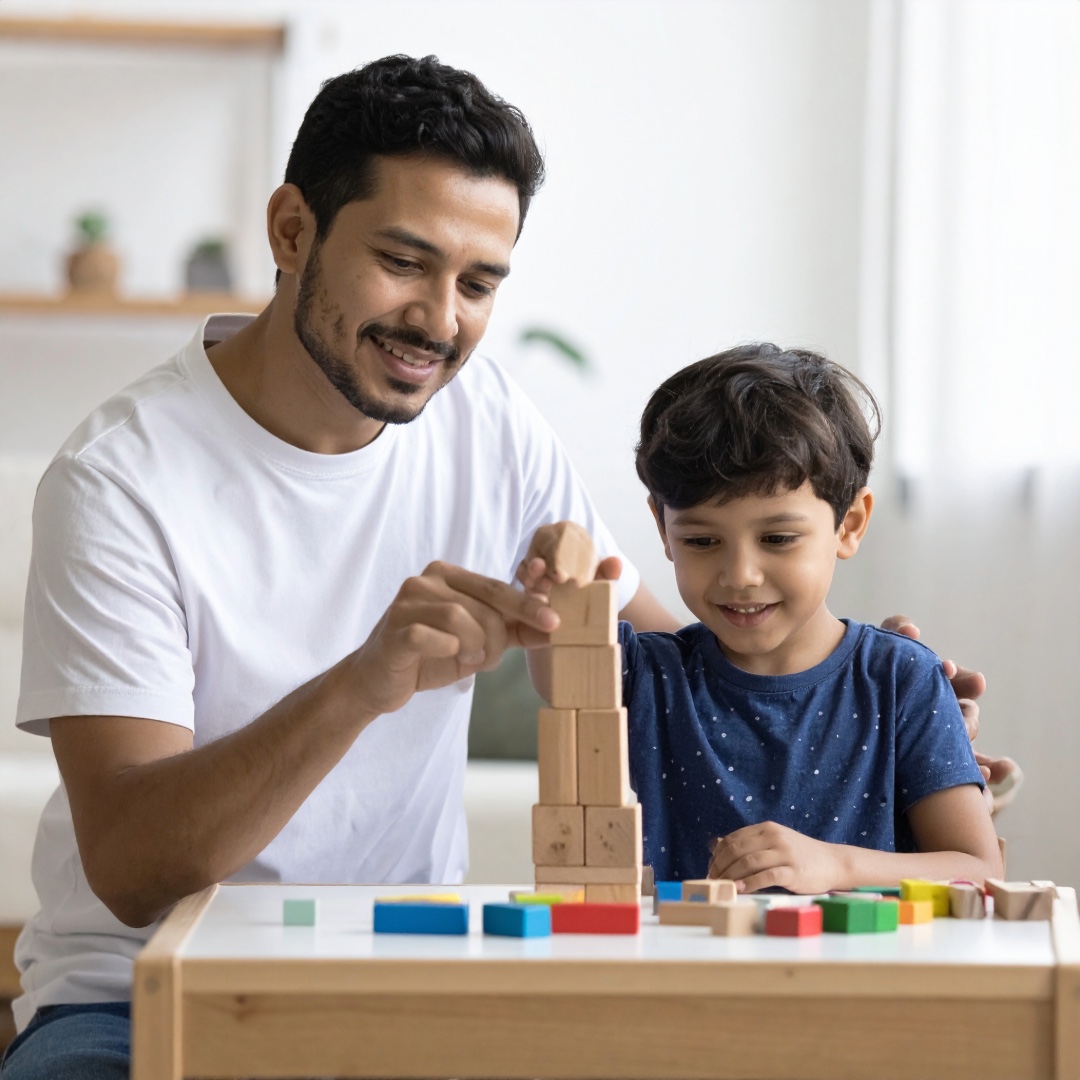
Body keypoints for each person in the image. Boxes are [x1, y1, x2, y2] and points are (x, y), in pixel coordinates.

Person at [1, 56, 993, 1079]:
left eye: (477, 284)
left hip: (402, 977)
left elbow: (681, 662)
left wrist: (891, 723)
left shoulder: (487, 421)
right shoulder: (119, 481)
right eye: (403, 262)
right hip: (139, 993)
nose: (440, 320)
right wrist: (359, 685)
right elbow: (130, 868)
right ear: (292, 231)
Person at [529, 344, 1003, 890]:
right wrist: (548, 592)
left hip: (857, 974)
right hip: (680, 971)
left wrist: (836, 865)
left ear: (849, 525)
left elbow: (979, 869)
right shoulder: (646, 673)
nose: (740, 574)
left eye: (777, 538)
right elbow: (558, 676)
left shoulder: (902, 680)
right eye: (702, 540)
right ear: (663, 531)